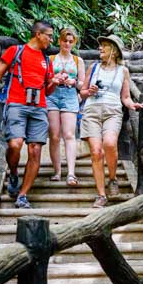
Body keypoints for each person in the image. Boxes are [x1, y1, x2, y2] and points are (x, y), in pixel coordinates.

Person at [0, 21, 62, 209]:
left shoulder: (46, 60)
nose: (51, 40)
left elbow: (48, 91)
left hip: (39, 106)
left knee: (35, 150)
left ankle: (23, 195)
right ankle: (13, 172)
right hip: (17, 103)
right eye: (49, 36)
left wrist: (55, 82)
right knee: (15, 145)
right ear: (38, 34)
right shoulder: (15, 51)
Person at [79, 35, 143, 208]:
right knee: (96, 151)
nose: (100, 49)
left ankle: (113, 178)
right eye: (100, 46)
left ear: (114, 51)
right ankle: (101, 195)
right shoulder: (93, 68)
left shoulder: (123, 71)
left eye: (104, 46)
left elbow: (125, 97)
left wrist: (133, 105)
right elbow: (82, 93)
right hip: (91, 111)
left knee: (109, 144)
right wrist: (89, 91)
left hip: (113, 112)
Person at [47, 28, 86, 186]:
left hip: (70, 95)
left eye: (70, 41)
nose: (67, 44)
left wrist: (74, 82)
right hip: (52, 95)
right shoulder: (50, 59)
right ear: (59, 41)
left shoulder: (78, 61)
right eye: (65, 41)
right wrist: (55, 79)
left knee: (69, 134)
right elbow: (46, 81)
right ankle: (57, 171)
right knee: (54, 135)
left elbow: (83, 83)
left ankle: (71, 173)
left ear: (74, 43)